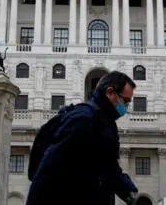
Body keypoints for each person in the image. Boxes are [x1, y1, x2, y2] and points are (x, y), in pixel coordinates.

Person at [26, 71, 139, 205]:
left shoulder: (106, 123)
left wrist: (127, 190)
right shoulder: (82, 118)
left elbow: (108, 166)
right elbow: (49, 167)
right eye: (125, 101)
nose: (126, 107)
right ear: (110, 93)